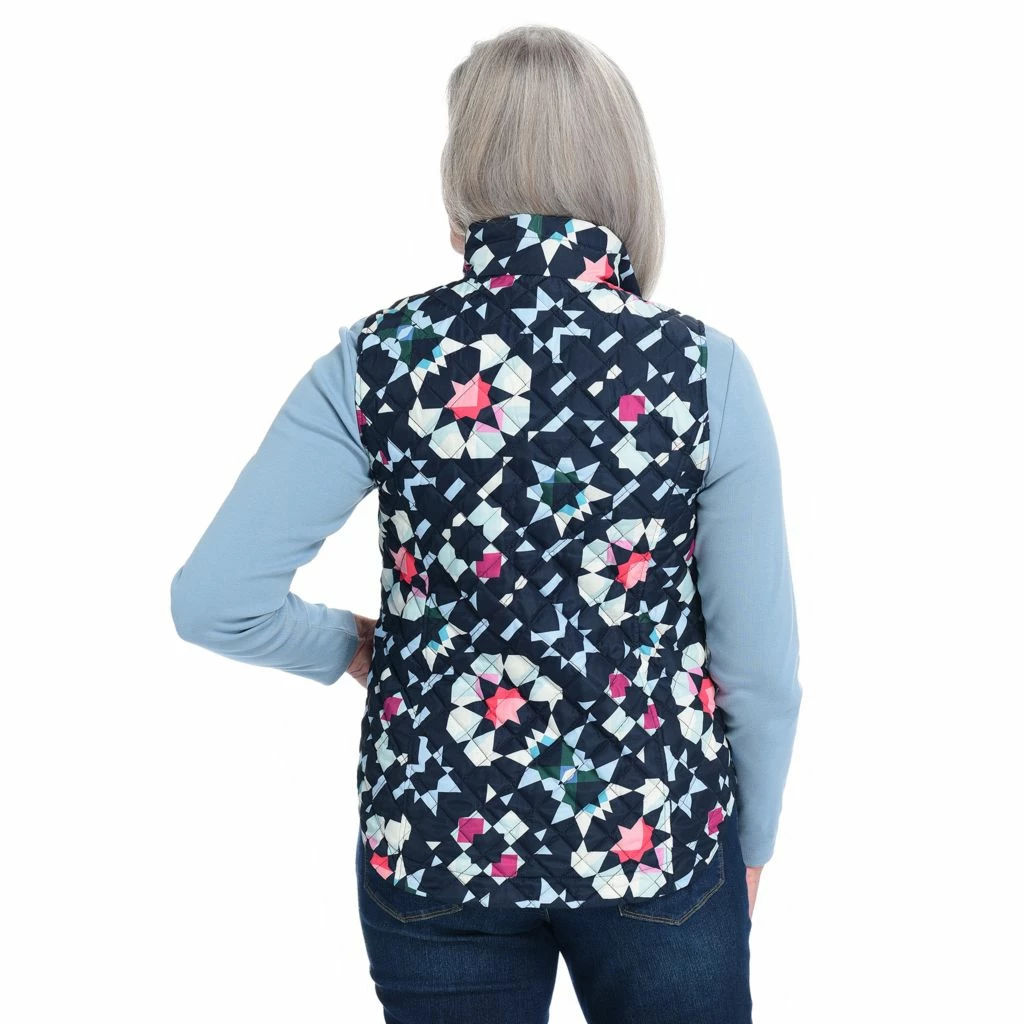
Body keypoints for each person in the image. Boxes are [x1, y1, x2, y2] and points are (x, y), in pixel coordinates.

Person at [170, 23, 802, 1024]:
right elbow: (758, 670)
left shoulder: (380, 359)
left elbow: (215, 599)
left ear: (462, 163)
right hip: (657, 839)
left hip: (436, 843)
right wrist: (752, 839)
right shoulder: (701, 369)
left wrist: (358, 647)